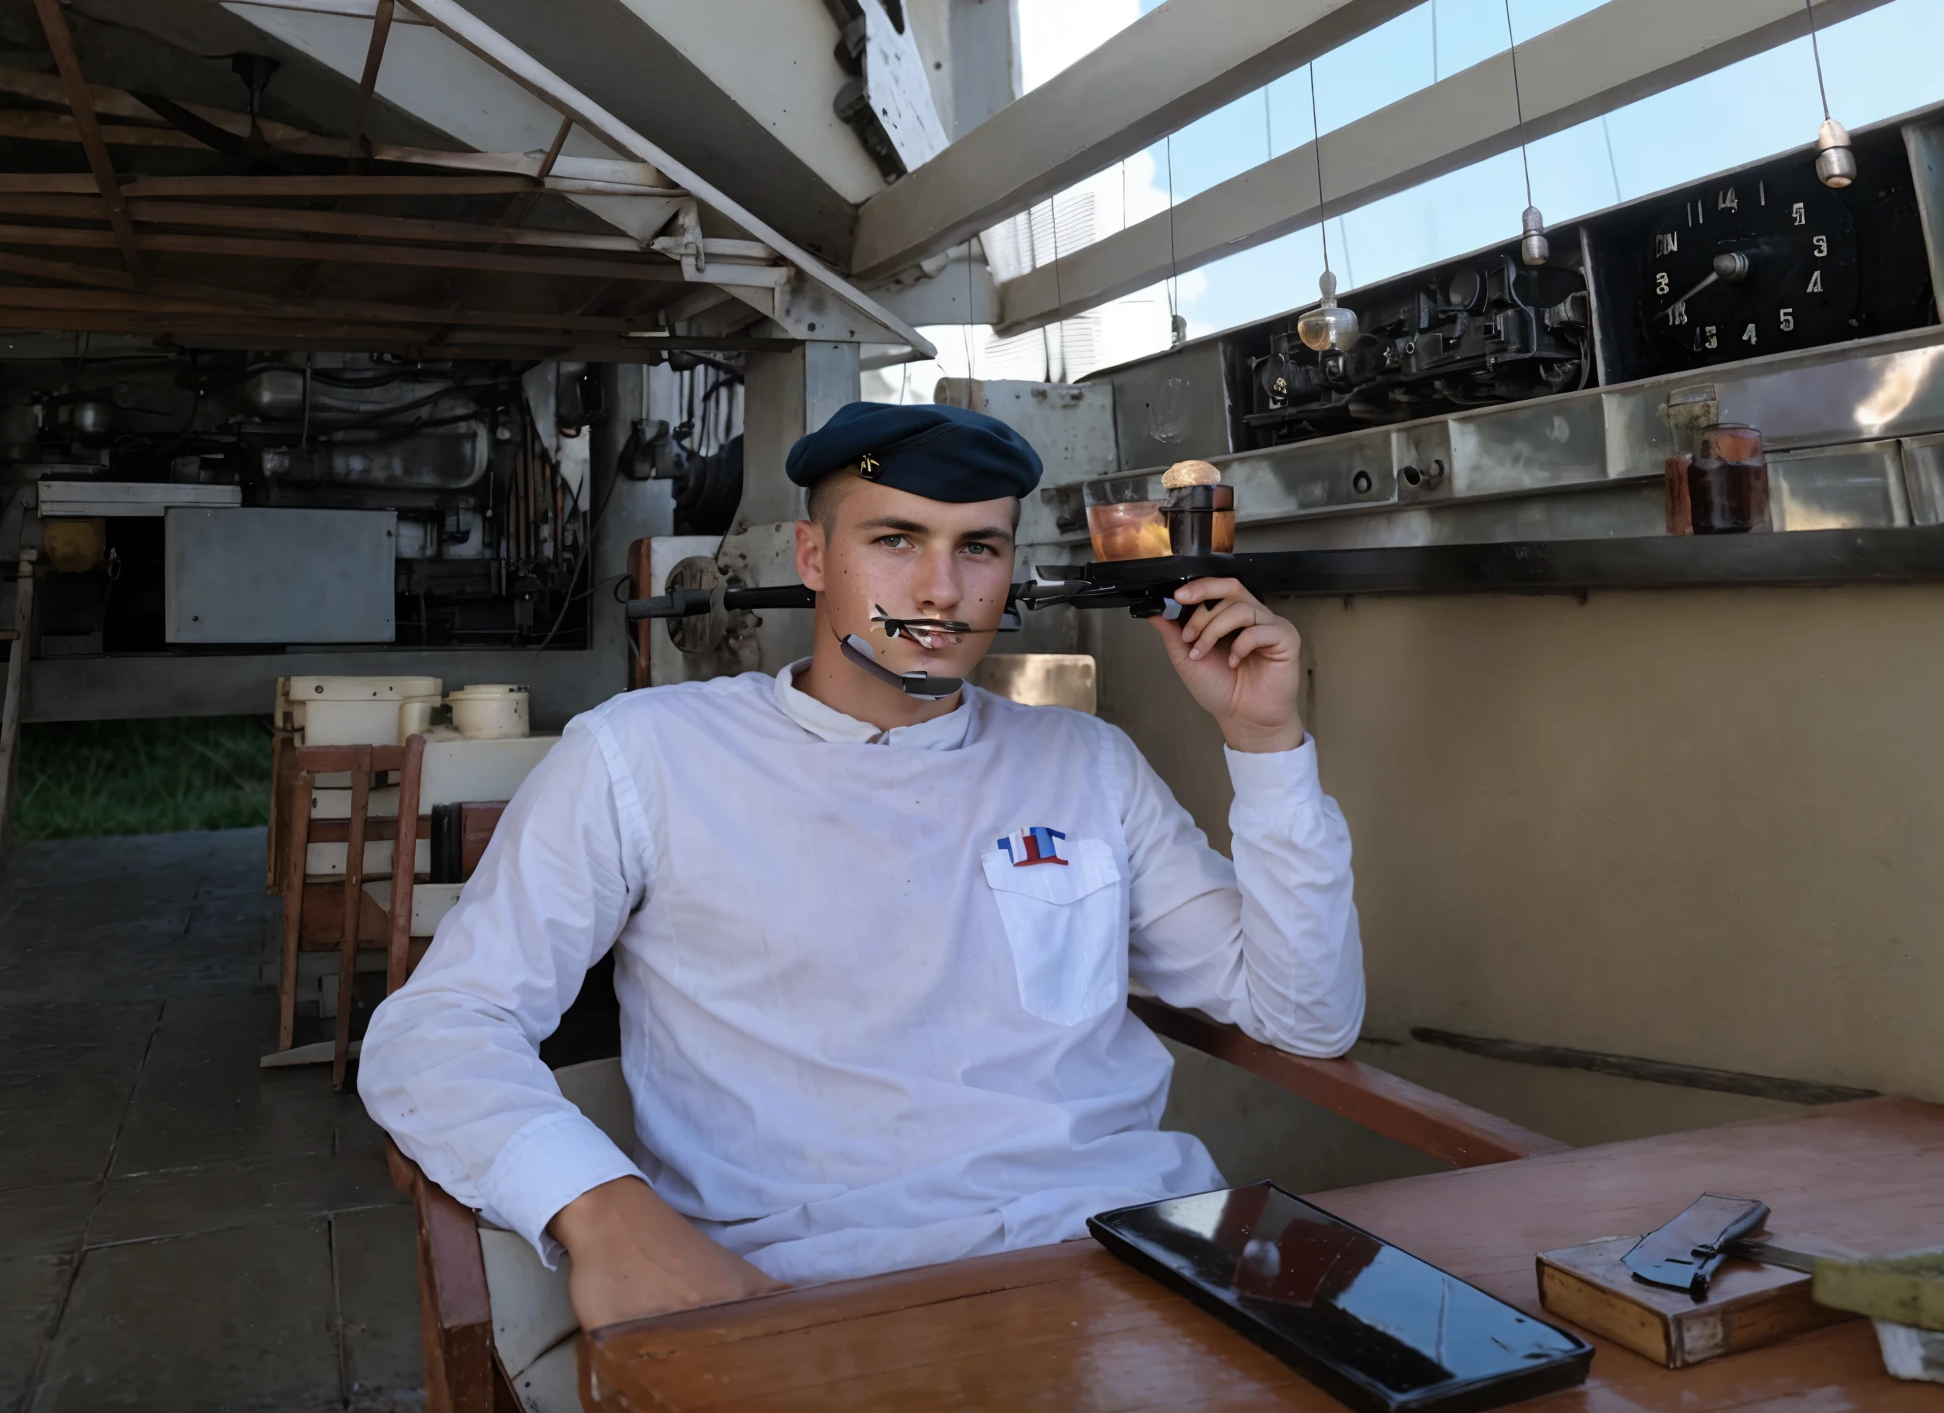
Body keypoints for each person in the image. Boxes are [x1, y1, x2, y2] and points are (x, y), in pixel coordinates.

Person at [359, 400, 1362, 1335]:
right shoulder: (646, 756)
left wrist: (1265, 745)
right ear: (812, 555)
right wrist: (602, 1212)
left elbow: (1304, 1016)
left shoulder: (1085, 763)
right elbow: (440, 1029)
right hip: (826, 1289)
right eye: (895, 541)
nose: (940, 589)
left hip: (1137, 1256)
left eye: (979, 548)